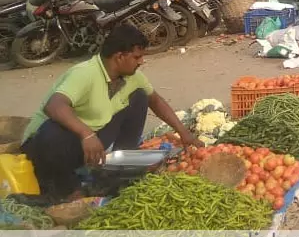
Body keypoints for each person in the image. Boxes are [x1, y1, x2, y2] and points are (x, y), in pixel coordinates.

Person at [20, 25, 202, 199]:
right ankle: (66, 190)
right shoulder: (85, 73)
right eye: (137, 57)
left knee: (140, 96)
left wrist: (183, 132)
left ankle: (121, 168)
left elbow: (155, 100)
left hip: (88, 141)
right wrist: (87, 135)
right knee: (53, 130)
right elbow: (54, 106)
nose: (141, 61)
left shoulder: (132, 77)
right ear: (119, 56)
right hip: (45, 146)